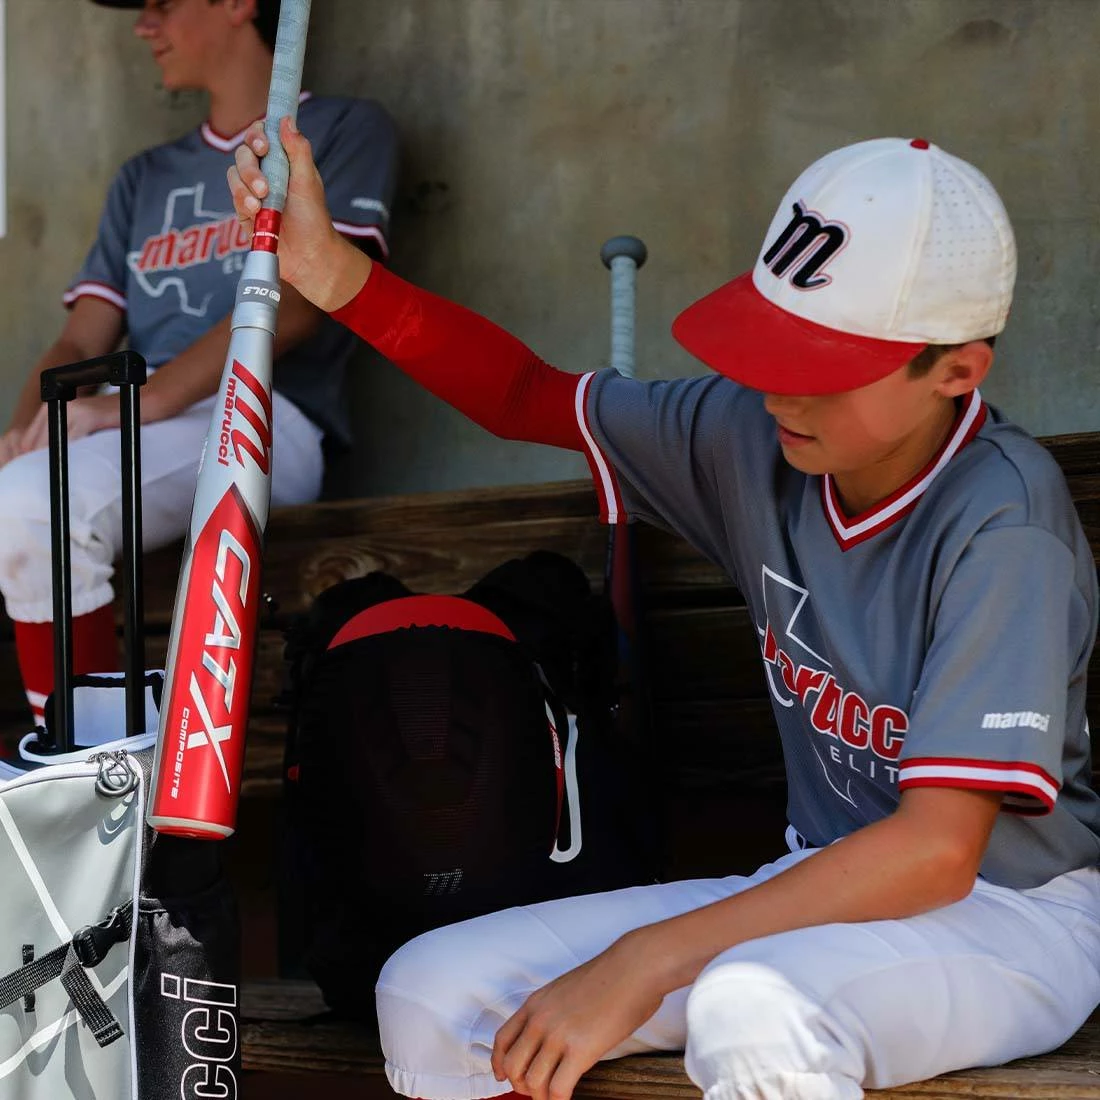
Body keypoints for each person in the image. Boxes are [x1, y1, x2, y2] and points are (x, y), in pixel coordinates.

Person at [230, 123, 1100, 1100]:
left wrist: (646, 957)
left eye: (823, 362)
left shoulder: (1001, 521)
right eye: (775, 345)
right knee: (433, 994)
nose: (779, 389)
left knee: (753, 1008)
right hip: (809, 889)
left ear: (954, 371)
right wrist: (334, 270)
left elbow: (938, 851)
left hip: (1008, 914)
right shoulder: (755, 433)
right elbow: (526, 394)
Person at [0, 0, 397, 727]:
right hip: (141, 428)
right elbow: (82, 342)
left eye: (160, 4)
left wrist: (142, 402)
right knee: (20, 493)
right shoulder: (144, 177)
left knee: (34, 506)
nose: (142, 27)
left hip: (272, 419)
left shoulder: (341, 129)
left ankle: (87, 783)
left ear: (236, 3)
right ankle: (72, 766)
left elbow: (306, 298)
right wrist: (27, 431)